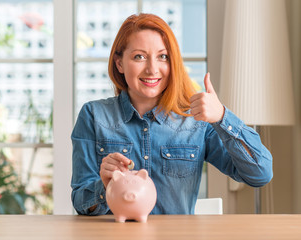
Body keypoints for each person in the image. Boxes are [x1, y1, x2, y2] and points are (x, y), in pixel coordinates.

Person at [70, 13, 273, 215]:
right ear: (119, 63)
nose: (152, 69)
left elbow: (260, 174)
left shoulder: (196, 121)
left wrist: (222, 117)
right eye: (139, 56)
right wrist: (104, 187)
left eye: (163, 57)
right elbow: (81, 203)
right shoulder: (94, 115)